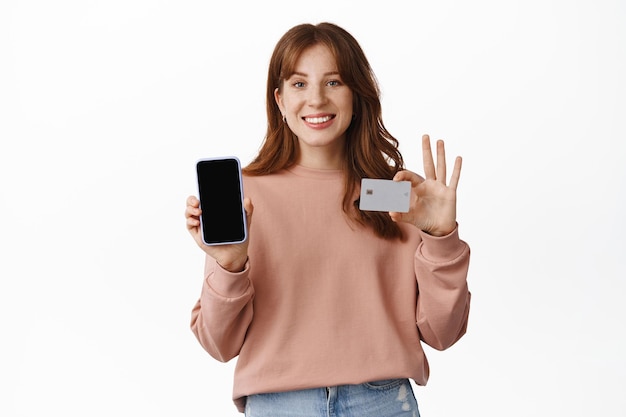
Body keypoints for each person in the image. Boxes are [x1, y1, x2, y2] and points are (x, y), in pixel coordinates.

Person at [185, 22, 471, 417]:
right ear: (280, 100)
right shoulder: (246, 196)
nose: (316, 99)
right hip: (278, 404)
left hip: (382, 401)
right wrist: (230, 265)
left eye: (334, 82)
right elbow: (219, 344)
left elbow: (443, 333)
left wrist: (442, 238)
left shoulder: (393, 193)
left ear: (357, 95)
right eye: (299, 84)